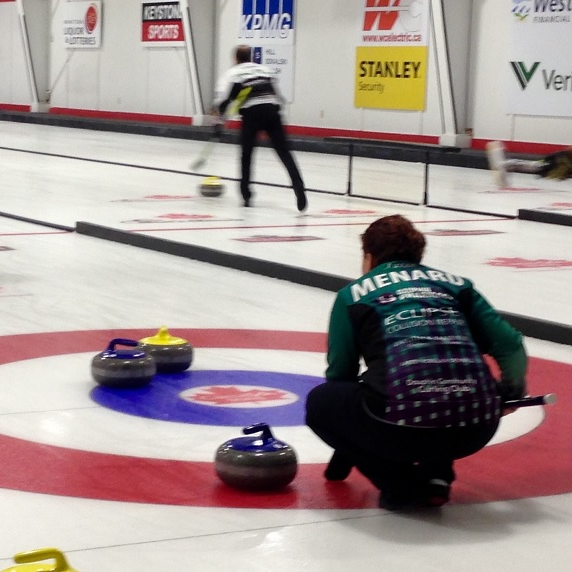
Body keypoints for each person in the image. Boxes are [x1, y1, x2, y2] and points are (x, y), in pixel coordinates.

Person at [305, 214, 528, 510]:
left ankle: (401, 485)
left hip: (398, 431)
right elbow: (510, 345)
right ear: (418, 256)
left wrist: (349, 444)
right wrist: (510, 394)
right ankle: (437, 477)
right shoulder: (459, 286)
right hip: (477, 427)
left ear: (368, 257)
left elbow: (341, 372)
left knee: (321, 404)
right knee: (445, 374)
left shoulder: (353, 295)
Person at [212, 45, 307, 211]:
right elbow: (278, 96)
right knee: (284, 153)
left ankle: (246, 195)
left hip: (252, 114)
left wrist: (219, 122)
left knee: (247, 155)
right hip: (272, 110)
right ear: (251, 57)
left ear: (235, 59)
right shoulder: (265, 70)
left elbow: (226, 100)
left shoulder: (234, 73)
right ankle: (299, 187)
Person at [486, 141, 572, 186]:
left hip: (548, 166)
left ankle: (501, 163)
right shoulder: (562, 156)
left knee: (526, 166)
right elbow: (565, 152)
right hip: (546, 165)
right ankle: (501, 164)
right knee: (527, 165)